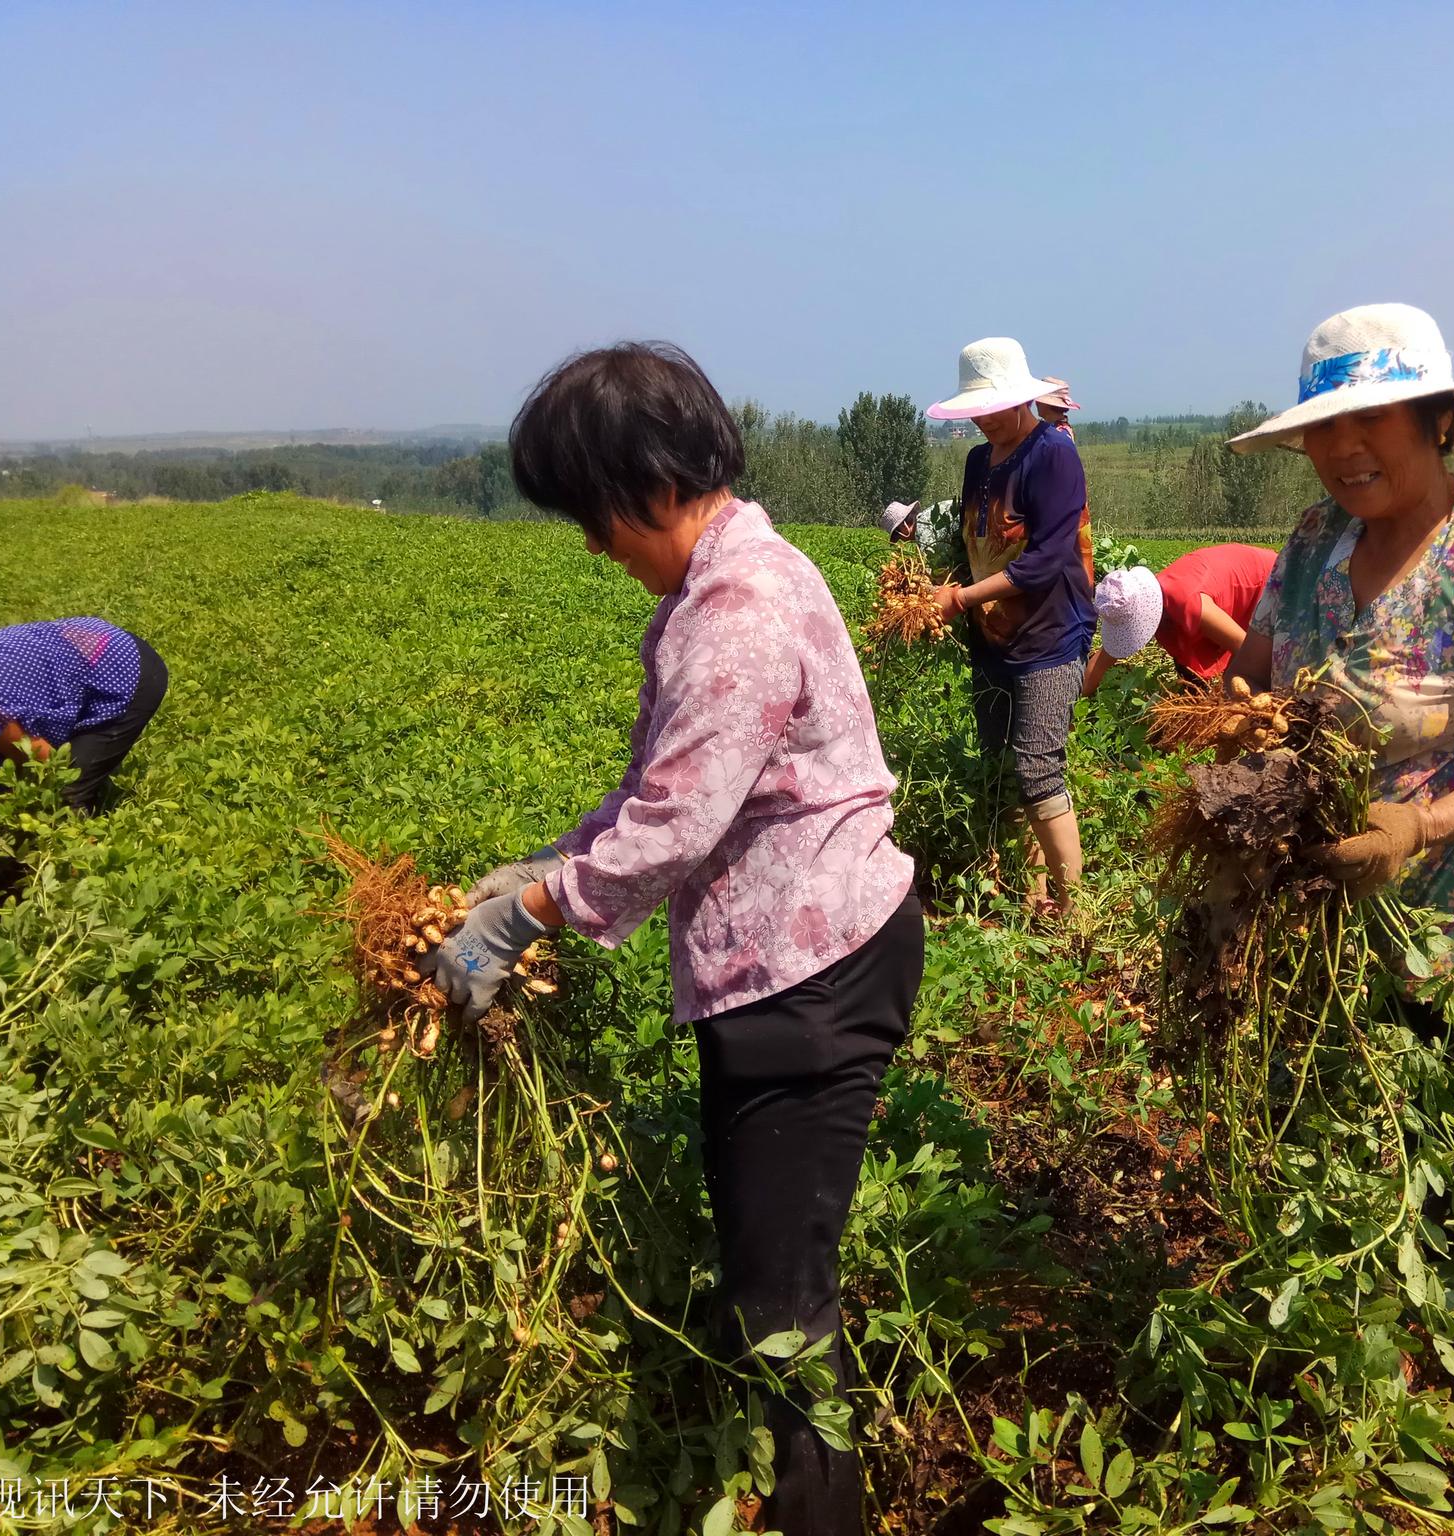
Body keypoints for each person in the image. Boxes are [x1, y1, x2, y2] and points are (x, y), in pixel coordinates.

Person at [424, 343, 920, 1536]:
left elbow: (678, 822)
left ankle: (819, 1514)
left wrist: (529, 913)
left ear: (646, 481)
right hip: (783, 969)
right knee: (772, 1271)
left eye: (593, 517)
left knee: (781, 1308)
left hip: (808, 975)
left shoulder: (736, 608)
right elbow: (663, 788)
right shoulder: (723, 580)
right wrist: (550, 862)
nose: (594, 547)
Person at [1224, 303, 1454, 1535]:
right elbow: (1260, 678)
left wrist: (1420, 828)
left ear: (1436, 417)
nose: (1345, 449)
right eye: (1325, 427)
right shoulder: (1311, 546)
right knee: (1357, 1176)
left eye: (1370, 418)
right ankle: (1389, 1399)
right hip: (1336, 940)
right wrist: (1229, 736)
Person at [925, 338, 1095, 916]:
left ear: (1022, 399)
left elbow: (1045, 560)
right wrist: (936, 591)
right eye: (978, 409)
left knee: (1036, 763)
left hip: (1050, 635)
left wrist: (964, 597)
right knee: (1000, 760)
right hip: (992, 636)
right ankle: (1032, 894)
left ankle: (1076, 912)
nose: (986, 419)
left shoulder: (1054, 455)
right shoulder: (978, 462)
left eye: (995, 406)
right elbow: (974, 543)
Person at [0, 617, 168, 813]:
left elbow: (50, 767)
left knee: (66, 793)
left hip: (126, 670)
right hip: (90, 642)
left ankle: (87, 853)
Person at [1081, 543, 1278, 697]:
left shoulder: (1189, 603)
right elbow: (1103, 659)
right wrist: (1072, 707)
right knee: (1195, 678)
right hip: (1227, 586)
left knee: (1250, 683)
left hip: (1271, 584)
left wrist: (1229, 700)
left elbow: (1245, 649)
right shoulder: (1145, 600)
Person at [880, 496, 966, 581]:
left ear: (904, 527)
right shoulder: (925, 518)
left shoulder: (922, 529)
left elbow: (931, 571)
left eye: (897, 536)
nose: (901, 540)